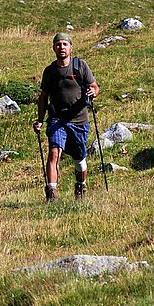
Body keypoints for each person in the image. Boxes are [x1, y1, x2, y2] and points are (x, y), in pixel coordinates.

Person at [33, 33, 99, 202]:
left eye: (64, 44)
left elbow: (94, 87)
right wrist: (40, 120)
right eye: (58, 44)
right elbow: (43, 97)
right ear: (53, 48)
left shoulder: (80, 66)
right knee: (54, 153)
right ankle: (52, 193)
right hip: (57, 119)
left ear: (71, 48)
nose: (61, 47)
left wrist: (93, 92)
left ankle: (80, 185)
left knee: (79, 160)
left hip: (79, 120)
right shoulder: (50, 71)